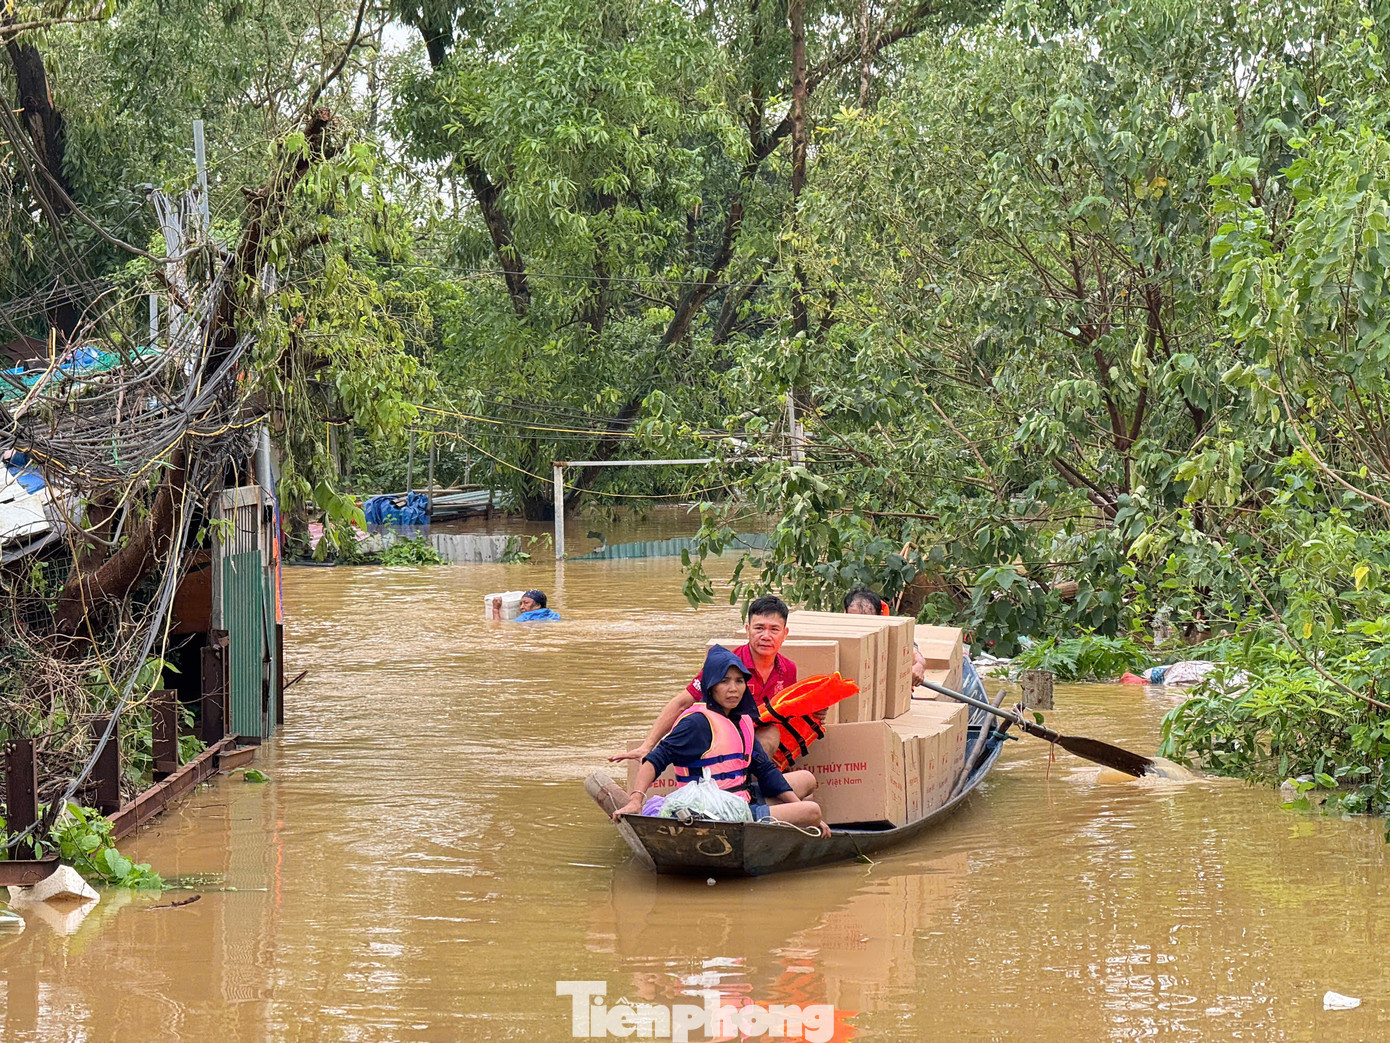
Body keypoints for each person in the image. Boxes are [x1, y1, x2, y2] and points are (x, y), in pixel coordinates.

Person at [611, 646, 828, 836]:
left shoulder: (742, 719)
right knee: (812, 810)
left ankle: (781, 822)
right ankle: (778, 825)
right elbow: (655, 760)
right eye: (724, 681)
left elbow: (765, 770)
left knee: (806, 780)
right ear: (711, 686)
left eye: (739, 681)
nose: (733, 689)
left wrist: (794, 805)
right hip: (714, 811)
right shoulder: (697, 723)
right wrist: (636, 800)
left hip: (740, 800)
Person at [611, 596, 819, 792]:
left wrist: (814, 712)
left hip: (752, 742)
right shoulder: (725, 666)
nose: (766, 636)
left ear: (785, 633)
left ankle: (753, 789)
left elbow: (786, 710)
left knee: (774, 739)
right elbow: (682, 703)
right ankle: (743, 792)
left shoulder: (788, 669)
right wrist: (647, 745)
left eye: (774, 629)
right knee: (767, 737)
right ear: (747, 630)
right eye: (759, 628)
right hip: (719, 739)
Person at [844, 586, 927, 686]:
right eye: (855, 621)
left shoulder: (891, 633)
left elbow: (915, 654)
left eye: (866, 622)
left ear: (879, 616)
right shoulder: (837, 631)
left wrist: (919, 666)